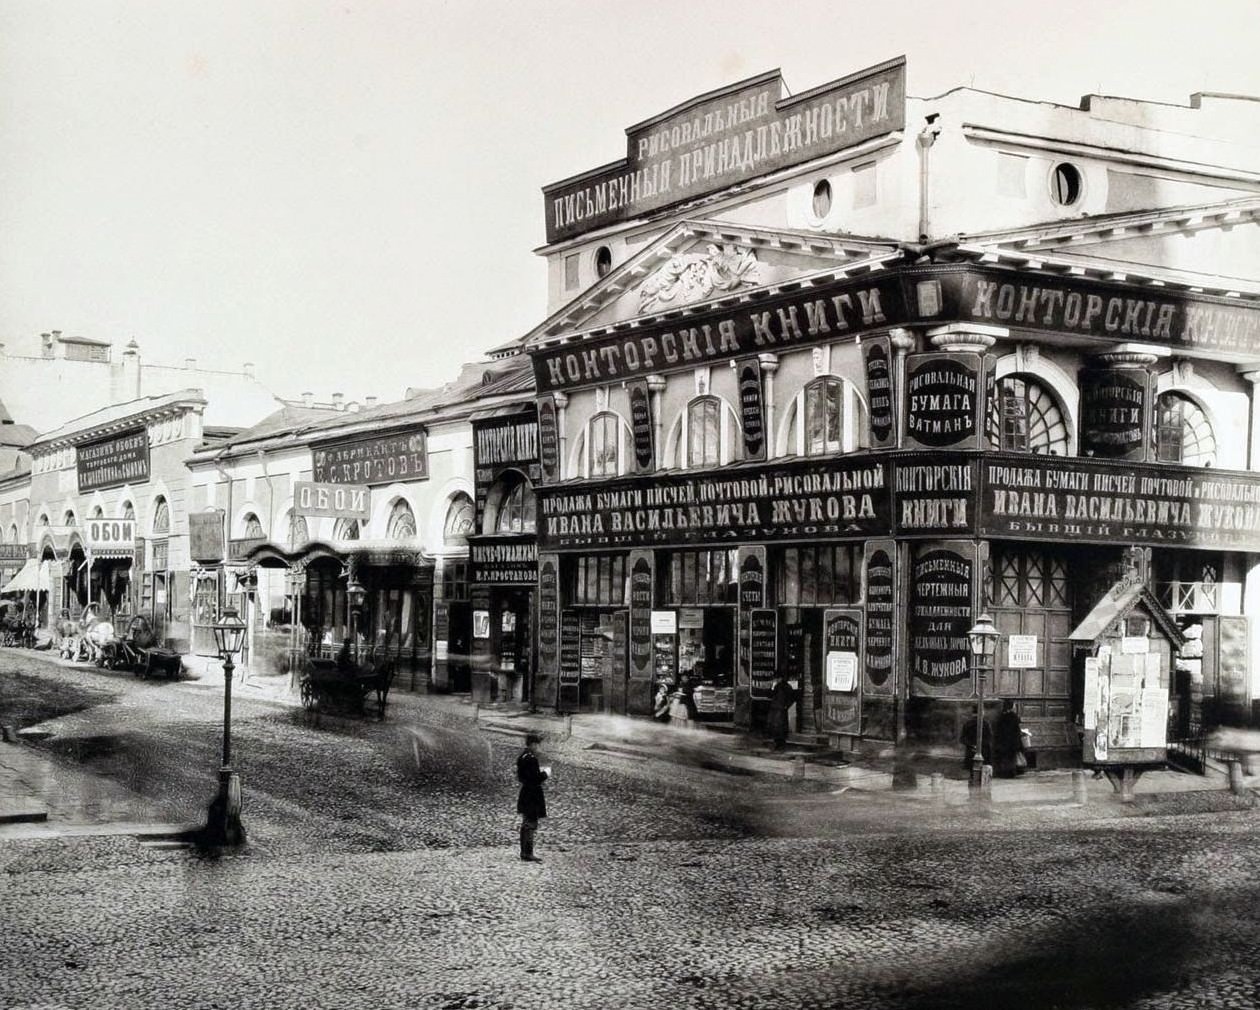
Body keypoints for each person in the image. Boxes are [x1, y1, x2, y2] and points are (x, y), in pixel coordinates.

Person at [515, 732, 549, 862]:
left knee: (526, 823)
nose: (538, 747)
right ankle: (528, 853)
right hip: (532, 794)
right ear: (533, 744)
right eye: (537, 744)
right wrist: (545, 774)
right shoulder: (531, 758)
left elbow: (522, 777)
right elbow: (534, 779)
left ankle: (524, 851)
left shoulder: (522, 756)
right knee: (531, 823)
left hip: (525, 793)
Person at [993, 699, 1027, 778]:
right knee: (1011, 759)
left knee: (1004, 758)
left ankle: (1003, 773)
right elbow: (1016, 730)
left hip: (1003, 742)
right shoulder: (1013, 716)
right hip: (1012, 742)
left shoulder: (1001, 716)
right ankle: (1011, 773)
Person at [767, 673, 798, 750]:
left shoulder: (782, 687)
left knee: (778, 726)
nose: (776, 680)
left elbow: (772, 695)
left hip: (778, 708)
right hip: (779, 708)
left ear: (780, 678)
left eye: (777, 679)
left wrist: (786, 706)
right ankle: (779, 743)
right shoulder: (784, 686)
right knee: (778, 726)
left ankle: (779, 744)